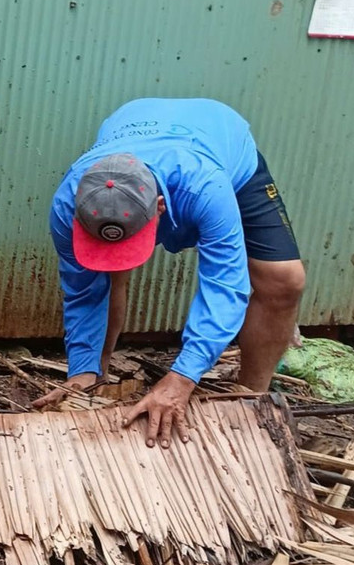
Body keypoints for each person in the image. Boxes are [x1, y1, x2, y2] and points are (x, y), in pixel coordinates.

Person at [37, 98, 305, 447]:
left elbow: (225, 285)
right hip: (137, 125)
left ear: (159, 209)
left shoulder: (206, 187)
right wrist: (80, 372)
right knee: (104, 272)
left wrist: (183, 377)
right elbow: (82, 290)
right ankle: (95, 379)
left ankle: (249, 402)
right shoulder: (67, 203)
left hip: (220, 144)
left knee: (284, 279)